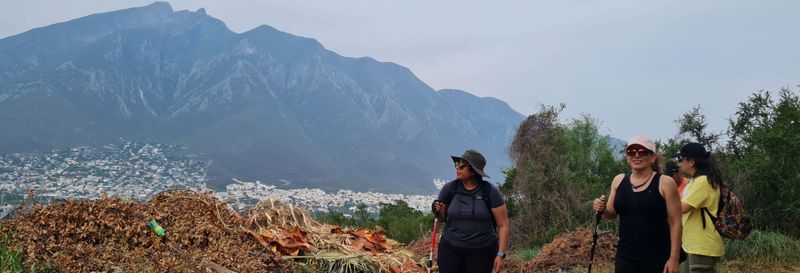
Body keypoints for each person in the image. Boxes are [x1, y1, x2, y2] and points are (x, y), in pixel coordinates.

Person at [592, 135, 682, 273]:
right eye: (632, 152)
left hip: (657, 257)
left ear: (653, 157)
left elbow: (675, 223)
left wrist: (674, 258)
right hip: (625, 256)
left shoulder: (665, 183)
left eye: (643, 152)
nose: (636, 155)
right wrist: (601, 208)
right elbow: (610, 215)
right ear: (627, 157)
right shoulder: (619, 180)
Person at [432, 150, 510, 273]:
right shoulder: (450, 189)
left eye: (462, 166)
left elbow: (503, 225)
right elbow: (441, 219)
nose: (457, 168)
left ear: (473, 170)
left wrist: (500, 255)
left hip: (482, 252)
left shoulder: (490, 192)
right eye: (457, 164)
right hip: (451, 248)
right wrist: (439, 211)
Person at [677, 143, 724, 273]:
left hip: (702, 245)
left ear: (691, 162)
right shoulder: (695, 180)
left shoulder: (703, 181)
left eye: (681, 159)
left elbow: (682, 208)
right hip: (691, 244)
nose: (679, 163)